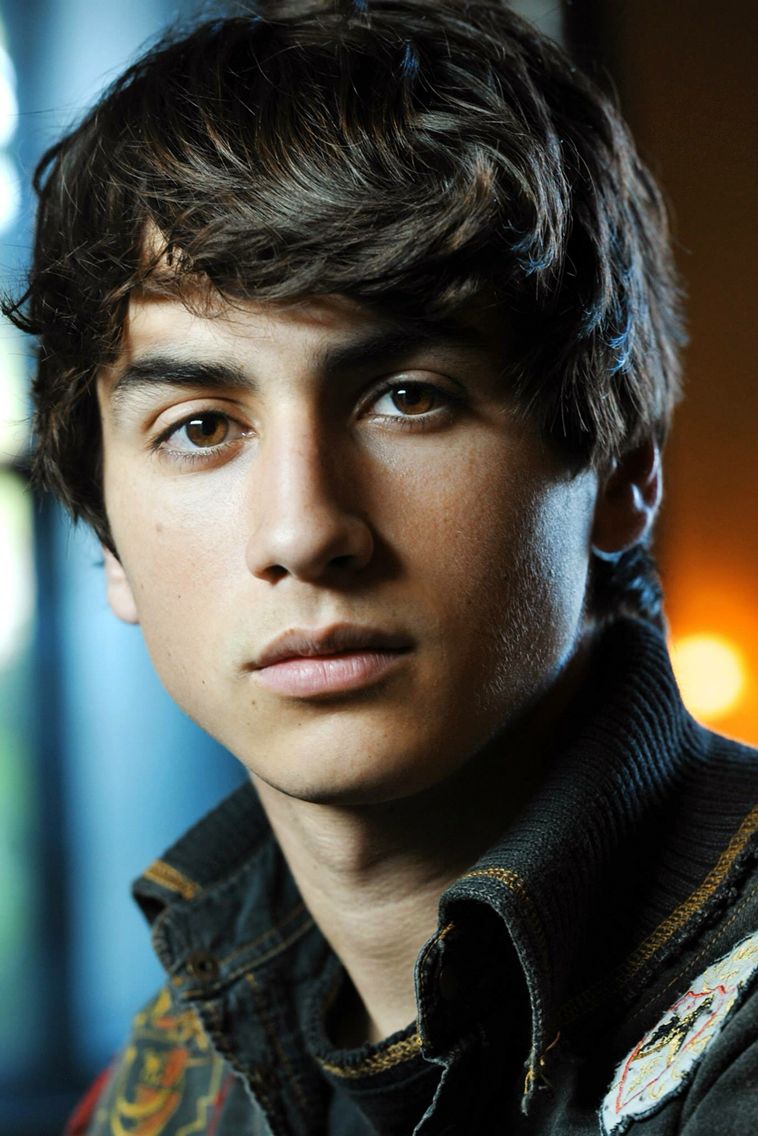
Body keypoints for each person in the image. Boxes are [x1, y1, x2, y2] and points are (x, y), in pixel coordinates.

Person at [7, 1, 757, 1132]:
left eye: (408, 397)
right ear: (107, 538)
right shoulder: (157, 1091)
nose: (304, 530)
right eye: (201, 427)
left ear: (619, 469)